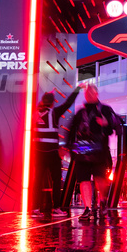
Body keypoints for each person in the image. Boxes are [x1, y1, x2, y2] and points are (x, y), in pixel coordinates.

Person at [66, 83, 120, 222]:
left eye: (91, 92)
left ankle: (103, 200)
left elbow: (114, 125)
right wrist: (67, 146)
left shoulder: (105, 109)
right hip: (82, 149)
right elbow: (72, 129)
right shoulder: (80, 112)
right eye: (86, 92)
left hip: (99, 148)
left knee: (99, 177)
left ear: (96, 94)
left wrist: (106, 123)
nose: (88, 94)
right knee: (83, 179)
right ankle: (87, 208)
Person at [33, 86, 80, 221]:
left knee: (37, 181)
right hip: (52, 152)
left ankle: (35, 209)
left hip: (38, 152)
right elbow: (68, 103)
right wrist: (77, 89)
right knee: (56, 180)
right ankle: (56, 208)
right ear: (53, 103)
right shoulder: (54, 113)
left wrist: (48, 96)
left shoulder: (36, 113)